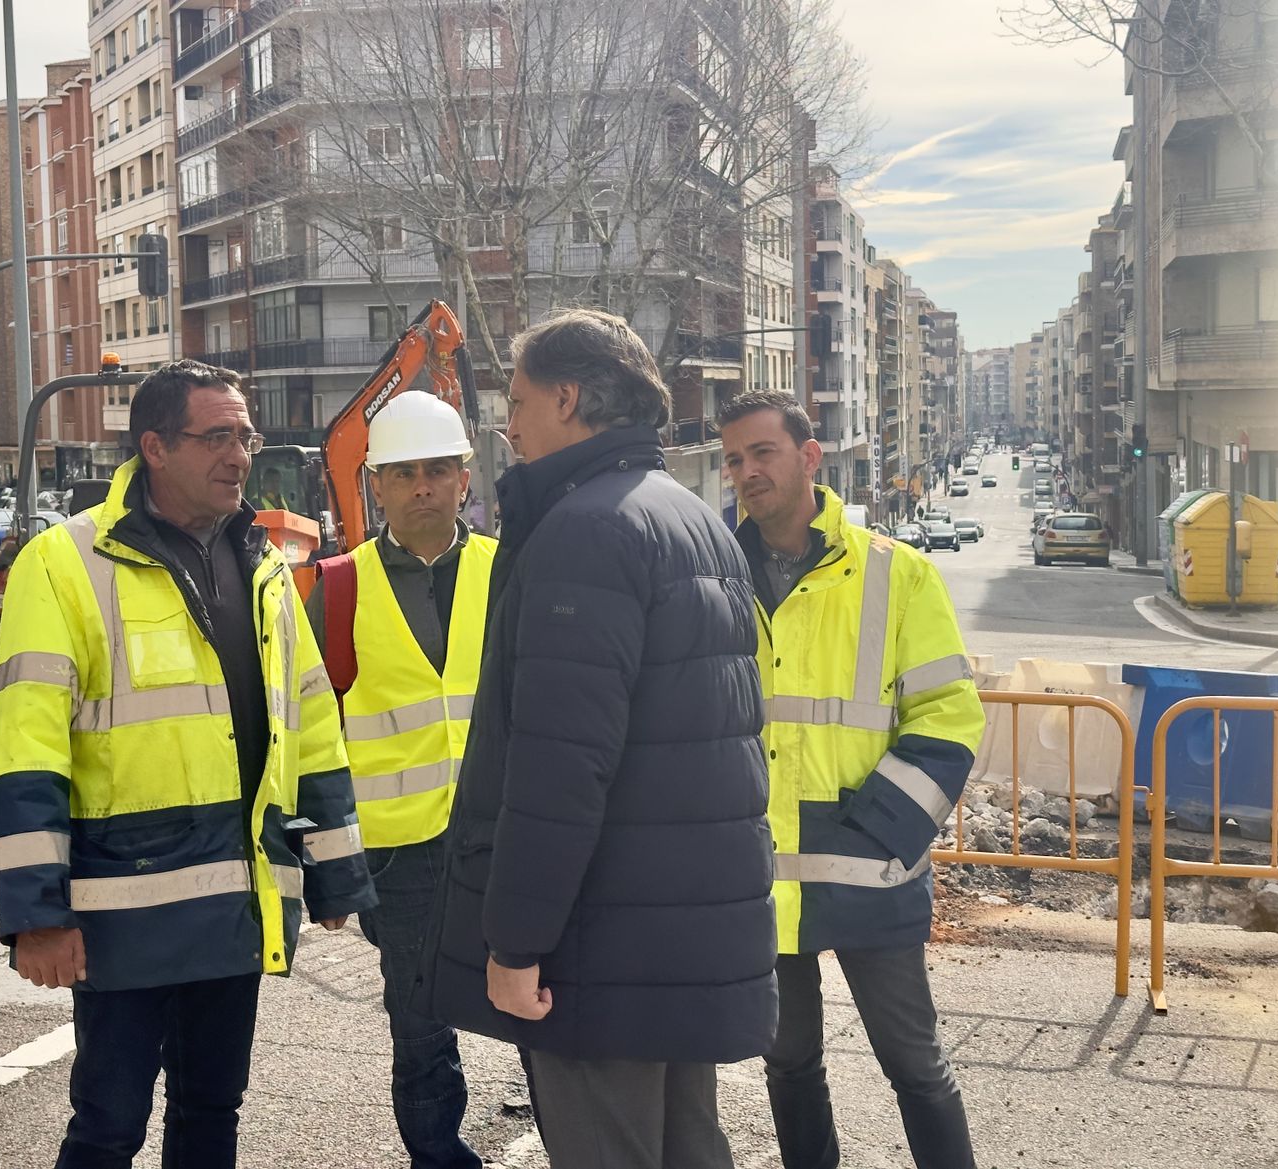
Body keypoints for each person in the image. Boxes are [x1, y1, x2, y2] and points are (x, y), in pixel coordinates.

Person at [0, 359, 376, 1169]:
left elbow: (310, 727)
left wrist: (337, 873)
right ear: (155, 446)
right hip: (121, 910)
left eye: (246, 434)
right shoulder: (65, 562)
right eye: (217, 436)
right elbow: (27, 751)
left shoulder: (264, 565)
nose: (239, 454)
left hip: (234, 903)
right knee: (109, 1126)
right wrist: (36, 913)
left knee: (212, 1110)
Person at [421, 309, 776, 1169]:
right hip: (680, 929)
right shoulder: (689, 519)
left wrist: (515, 943)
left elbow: (557, 769)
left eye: (520, 398)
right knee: (689, 1145)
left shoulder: (583, 532)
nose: (507, 423)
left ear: (568, 397)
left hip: (599, 942)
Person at [716, 390, 986, 1169]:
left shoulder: (897, 574)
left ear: (809, 457)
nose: (746, 472)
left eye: (762, 452)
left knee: (915, 1063)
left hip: (870, 865)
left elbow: (948, 717)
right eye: (734, 459)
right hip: (764, 873)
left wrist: (878, 830)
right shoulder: (720, 577)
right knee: (789, 1060)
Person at [304, 392, 497, 1169]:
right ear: (374, 485)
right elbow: (308, 740)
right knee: (420, 1032)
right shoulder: (335, 589)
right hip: (399, 854)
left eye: (439, 469)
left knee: (547, 1019)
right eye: (405, 472)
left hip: (505, 837)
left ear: (464, 478)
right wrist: (329, 868)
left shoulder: (512, 571)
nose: (423, 484)